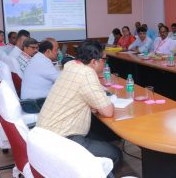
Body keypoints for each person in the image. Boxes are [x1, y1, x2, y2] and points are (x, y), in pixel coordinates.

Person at [36, 40, 122, 168]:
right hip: (62, 138)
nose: (105, 63)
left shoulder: (71, 65)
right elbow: (108, 111)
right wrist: (109, 102)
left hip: (46, 133)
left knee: (105, 137)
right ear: (94, 62)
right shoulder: (87, 73)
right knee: (115, 154)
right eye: (104, 59)